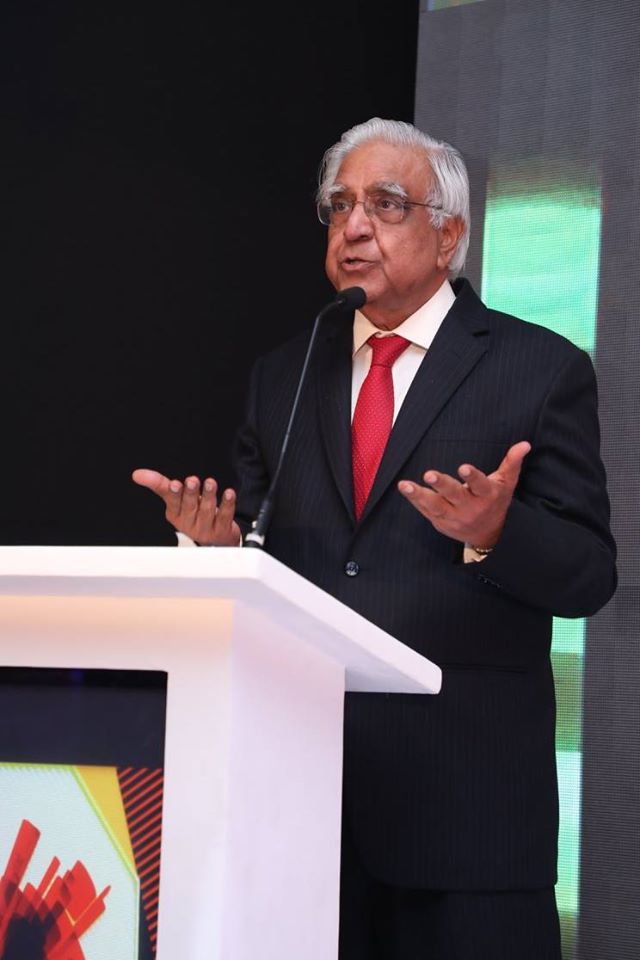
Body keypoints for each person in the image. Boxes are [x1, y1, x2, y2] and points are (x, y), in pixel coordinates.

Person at [133, 118, 617, 959]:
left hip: (468, 823)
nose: (354, 226)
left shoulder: (539, 369)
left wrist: (498, 531)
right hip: (305, 813)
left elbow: (589, 574)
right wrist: (218, 555)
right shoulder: (286, 374)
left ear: (449, 234)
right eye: (340, 205)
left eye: (386, 204)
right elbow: (266, 559)